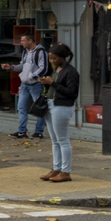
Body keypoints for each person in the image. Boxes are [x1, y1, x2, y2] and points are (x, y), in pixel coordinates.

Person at [39, 43, 79, 183]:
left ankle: (66, 171)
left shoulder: (71, 72)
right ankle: (56, 169)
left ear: (62, 57)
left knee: (62, 140)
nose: (52, 61)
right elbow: (53, 86)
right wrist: (45, 82)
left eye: (54, 58)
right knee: (55, 141)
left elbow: (72, 93)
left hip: (61, 106)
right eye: (50, 58)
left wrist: (52, 83)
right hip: (51, 105)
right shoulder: (56, 70)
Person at [2, 33, 49, 139]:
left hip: (35, 84)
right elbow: (22, 66)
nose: (21, 43)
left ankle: (39, 132)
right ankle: (22, 131)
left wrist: (32, 76)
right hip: (24, 84)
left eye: (23, 41)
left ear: (30, 41)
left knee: (39, 108)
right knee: (21, 108)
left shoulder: (41, 52)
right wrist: (11, 67)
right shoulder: (25, 52)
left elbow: (44, 68)